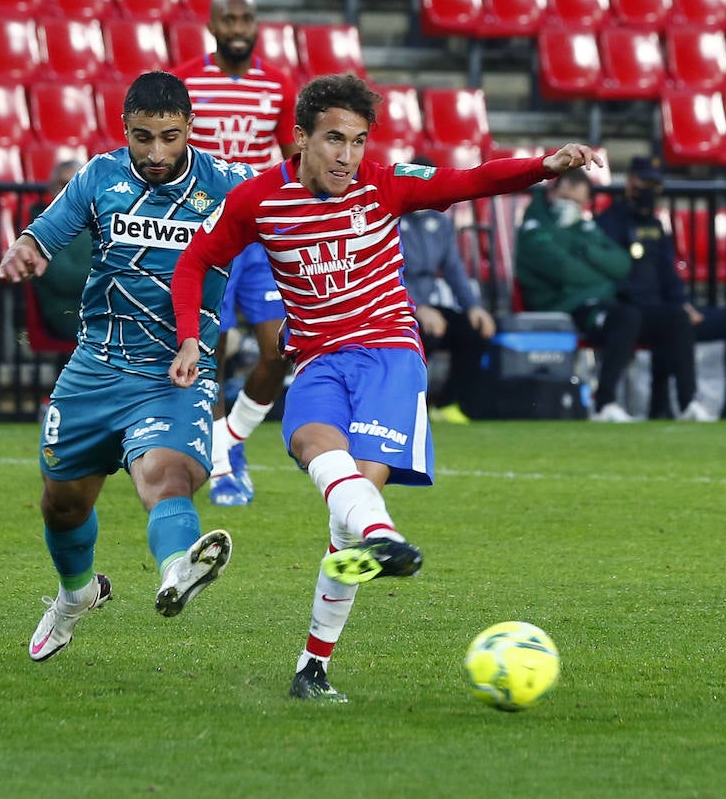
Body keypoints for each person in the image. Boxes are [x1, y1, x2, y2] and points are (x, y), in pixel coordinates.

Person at [167, 74, 607, 701]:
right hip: (317, 361)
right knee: (313, 448)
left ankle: (314, 665)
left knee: (349, 512)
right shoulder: (259, 199)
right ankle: (381, 543)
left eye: (357, 141)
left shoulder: (384, 183)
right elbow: (195, 260)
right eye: (333, 140)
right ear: (300, 138)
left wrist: (543, 166)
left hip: (388, 355)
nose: (347, 156)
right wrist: (190, 336)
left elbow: (468, 180)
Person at [0, 71, 258, 663]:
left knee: (165, 475)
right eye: (143, 138)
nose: (156, 152)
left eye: (170, 137)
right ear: (125, 129)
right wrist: (25, 249)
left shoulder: (229, 183)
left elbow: (296, 211)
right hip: (95, 367)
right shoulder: (100, 176)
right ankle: (75, 596)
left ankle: (178, 568)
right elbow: (45, 234)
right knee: (62, 504)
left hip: (175, 372)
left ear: (190, 127)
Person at [171, 0, 299, 508]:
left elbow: (293, 159)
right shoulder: (185, 81)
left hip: (261, 234)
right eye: (229, 19)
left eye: (247, 18)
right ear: (212, 25)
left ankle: (230, 439)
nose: (239, 27)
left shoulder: (277, 84)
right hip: (207, 233)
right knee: (214, 352)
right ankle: (224, 468)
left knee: (279, 349)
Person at [596, 155, 726, 420]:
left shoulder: (656, 226)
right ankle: (673, 402)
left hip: (666, 308)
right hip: (629, 309)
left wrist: (683, 301)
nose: (650, 190)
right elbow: (611, 276)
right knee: (672, 320)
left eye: (655, 184)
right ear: (630, 182)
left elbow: (669, 274)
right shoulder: (608, 223)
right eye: (645, 182)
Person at [514, 168, 642, 423]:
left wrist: (583, 250)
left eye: (577, 202)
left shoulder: (585, 229)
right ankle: (604, 403)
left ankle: (675, 404)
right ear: (552, 193)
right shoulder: (534, 227)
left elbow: (622, 264)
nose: (570, 205)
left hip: (592, 303)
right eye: (566, 198)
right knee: (625, 318)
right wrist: (602, 277)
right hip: (558, 307)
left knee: (665, 319)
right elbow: (563, 270)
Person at [398, 157, 495, 424]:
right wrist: (416, 307)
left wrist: (473, 307)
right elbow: (387, 271)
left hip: (428, 307)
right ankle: (411, 406)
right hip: (396, 306)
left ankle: (448, 403)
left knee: (473, 332)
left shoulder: (439, 222)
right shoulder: (391, 218)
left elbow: (453, 269)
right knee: (422, 335)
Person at [27, 158, 87, 342]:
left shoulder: (97, 220)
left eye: (74, 185)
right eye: (63, 184)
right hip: (67, 313)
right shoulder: (40, 226)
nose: (68, 191)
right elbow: (63, 279)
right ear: (51, 188)